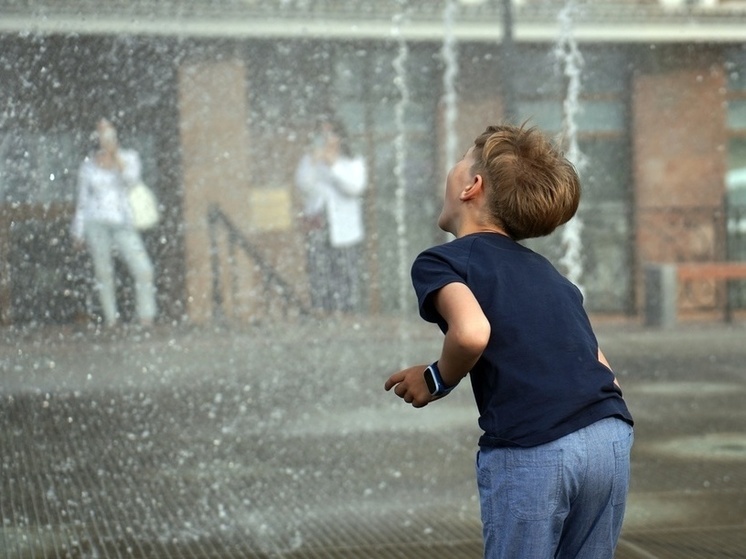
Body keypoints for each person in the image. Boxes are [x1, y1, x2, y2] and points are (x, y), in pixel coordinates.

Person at [384, 123, 634, 559]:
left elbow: (471, 332)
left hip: (535, 445)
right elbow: (602, 367)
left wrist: (435, 378)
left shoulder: (442, 261)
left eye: (461, 160)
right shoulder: (551, 275)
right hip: (608, 435)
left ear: (471, 187)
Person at [71, 118, 156, 328]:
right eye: (101, 133)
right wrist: (78, 231)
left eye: (109, 133)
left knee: (143, 268)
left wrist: (115, 156)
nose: (105, 138)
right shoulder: (88, 165)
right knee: (103, 272)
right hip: (95, 222)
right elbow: (82, 201)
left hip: (122, 221)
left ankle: (146, 316)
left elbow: (132, 180)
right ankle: (111, 318)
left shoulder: (129, 157)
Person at [294, 118, 367, 313]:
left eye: (331, 134)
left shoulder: (351, 160)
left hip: (345, 229)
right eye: (322, 134)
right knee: (319, 271)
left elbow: (355, 187)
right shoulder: (310, 159)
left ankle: (347, 314)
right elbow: (303, 184)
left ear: (340, 137)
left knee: (345, 274)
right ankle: (322, 312)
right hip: (318, 223)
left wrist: (333, 165)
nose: (326, 139)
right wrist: (313, 161)